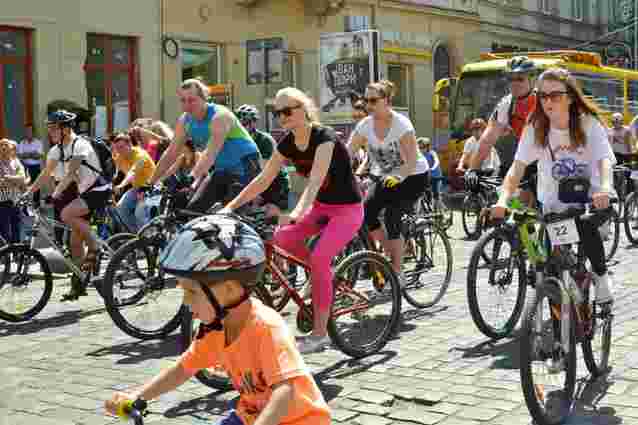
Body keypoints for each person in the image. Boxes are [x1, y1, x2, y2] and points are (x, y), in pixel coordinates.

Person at [104, 214, 331, 425]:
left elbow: (286, 392)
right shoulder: (216, 328)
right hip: (250, 416)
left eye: (192, 292)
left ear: (230, 289)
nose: (186, 301)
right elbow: (183, 368)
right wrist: (137, 396)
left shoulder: (266, 327)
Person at [222, 87, 363, 354]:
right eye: (277, 113)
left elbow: (315, 182)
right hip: (321, 208)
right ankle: (322, 280)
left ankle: (320, 334)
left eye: (287, 111)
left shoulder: (325, 138)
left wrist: (296, 213)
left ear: (304, 109)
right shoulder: (287, 142)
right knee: (279, 240)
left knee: (320, 259)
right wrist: (231, 206)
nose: (282, 117)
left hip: (347, 210)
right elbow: (263, 179)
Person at [491, 68, 614, 306]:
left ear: (569, 96)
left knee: (586, 224)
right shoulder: (536, 127)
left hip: (592, 198)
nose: (548, 101)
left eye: (555, 95)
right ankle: (560, 334)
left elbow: (604, 160)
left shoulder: (588, 123)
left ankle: (600, 276)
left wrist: (605, 188)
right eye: (543, 96)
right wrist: (502, 199)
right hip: (555, 204)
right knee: (551, 268)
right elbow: (517, 168)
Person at [347, 80, 430, 286]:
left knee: (393, 215)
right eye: (366, 100)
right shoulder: (365, 125)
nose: (369, 105)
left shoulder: (401, 124)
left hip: (412, 176)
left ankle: (397, 270)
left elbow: (411, 159)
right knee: (366, 213)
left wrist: (399, 176)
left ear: (387, 101)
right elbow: (346, 152)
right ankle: (390, 253)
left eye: (374, 100)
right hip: (386, 178)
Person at [149, 79, 261, 213]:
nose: (187, 105)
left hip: (246, 166)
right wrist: (150, 182)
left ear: (204, 98)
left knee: (231, 214)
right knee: (192, 212)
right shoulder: (185, 120)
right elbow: (171, 152)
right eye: (183, 101)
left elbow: (210, 153)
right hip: (222, 169)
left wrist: (191, 177)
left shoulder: (220, 116)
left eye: (191, 100)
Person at [39, 110, 112, 301]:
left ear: (65, 128)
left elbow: (71, 173)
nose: (50, 132)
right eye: (49, 128)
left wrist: (55, 194)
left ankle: (95, 245)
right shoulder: (56, 149)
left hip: (98, 189)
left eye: (54, 128)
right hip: (84, 193)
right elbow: (46, 173)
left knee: (67, 214)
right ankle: (79, 284)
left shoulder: (80, 145)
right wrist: (28, 192)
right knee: (74, 243)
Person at [466, 56, 538, 205]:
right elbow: (487, 138)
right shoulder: (507, 104)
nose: (514, 83)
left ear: (532, 80)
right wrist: (473, 169)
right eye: (510, 78)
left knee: (552, 211)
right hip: (525, 158)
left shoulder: (544, 100)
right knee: (513, 207)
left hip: (552, 156)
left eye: (520, 79)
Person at [235, 104, 290, 214]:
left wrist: (256, 194)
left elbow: (266, 171)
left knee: (270, 216)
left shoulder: (265, 140)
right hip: (254, 182)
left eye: (246, 122)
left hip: (275, 182)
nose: (243, 126)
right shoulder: (238, 141)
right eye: (239, 123)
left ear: (254, 123)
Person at [111, 133, 156, 232]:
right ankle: (134, 235)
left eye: (121, 147)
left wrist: (121, 186)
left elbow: (133, 172)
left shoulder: (141, 155)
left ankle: (147, 238)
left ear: (130, 144)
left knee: (139, 212)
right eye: (117, 148)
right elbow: (114, 173)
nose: (119, 151)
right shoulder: (120, 157)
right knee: (120, 208)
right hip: (137, 189)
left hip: (152, 188)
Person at [0, 138, 28, 244]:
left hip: (15, 201)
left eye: (6, 145)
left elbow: (22, 178)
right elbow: (0, 183)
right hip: (2, 203)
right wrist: (15, 182)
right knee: (5, 233)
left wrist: (6, 177)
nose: (3, 147)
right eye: (1, 145)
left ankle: (17, 255)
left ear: (11, 148)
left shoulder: (16, 162)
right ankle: (6, 257)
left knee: (17, 230)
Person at [162, 138, 201, 210]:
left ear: (186, 146)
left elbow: (200, 173)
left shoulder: (197, 155)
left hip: (196, 184)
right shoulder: (182, 158)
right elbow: (171, 170)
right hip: (185, 185)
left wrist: (192, 186)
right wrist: (159, 180)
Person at [17, 125, 43, 205]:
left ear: (33, 132)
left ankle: (36, 204)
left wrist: (26, 154)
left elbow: (38, 156)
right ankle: (26, 204)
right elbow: (20, 156)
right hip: (25, 166)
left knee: (36, 185)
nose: (28, 133)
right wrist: (32, 154)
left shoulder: (38, 142)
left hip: (35, 167)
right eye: (27, 131)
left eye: (30, 131)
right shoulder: (22, 143)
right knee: (24, 185)